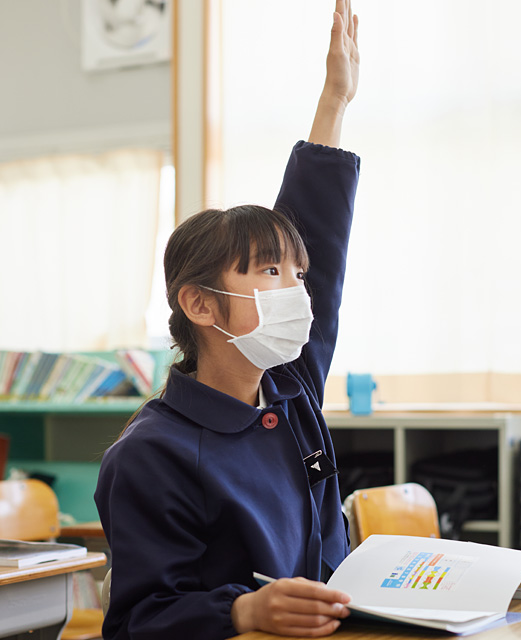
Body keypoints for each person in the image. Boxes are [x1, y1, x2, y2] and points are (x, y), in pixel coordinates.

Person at [94, 2, 361, 638]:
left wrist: (334, 102)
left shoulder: (290, 390)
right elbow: (137, 621)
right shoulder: (150, 454)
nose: (297, 291)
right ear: (201, 304)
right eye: (269, 271)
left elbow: (320, 239)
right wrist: (241, 611)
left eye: (296, 275)